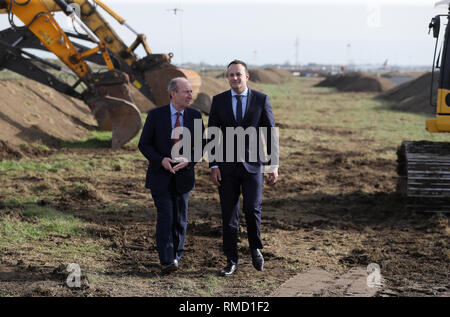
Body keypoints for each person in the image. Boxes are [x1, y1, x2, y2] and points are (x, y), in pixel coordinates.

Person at [208, 60, 279, 276]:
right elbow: (212, 134)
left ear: (247, 76)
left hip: (253, 166)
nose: (234, 78)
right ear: (227, 77)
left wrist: (273, 165)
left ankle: (255, 247)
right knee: (229, 215)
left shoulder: (260, 99)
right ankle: (231, 261)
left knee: (251, 209)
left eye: (238, 74)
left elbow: (270, 133)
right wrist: (214, 164)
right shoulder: (218, 101)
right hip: (226, 168)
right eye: (231, 75)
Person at [138, 77, 204, 274]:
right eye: (186, 92)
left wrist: (189, 160)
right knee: (166, 216)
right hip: (160, 175)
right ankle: (167, 260)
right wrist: (161, 160)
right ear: (173, 93)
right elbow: (144, 144)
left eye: (191, 92)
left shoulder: (195, 116)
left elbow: (201, 146)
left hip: (184, 176)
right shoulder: (155, 115)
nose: (190, 95)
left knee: (180, 219)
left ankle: (176, 254)